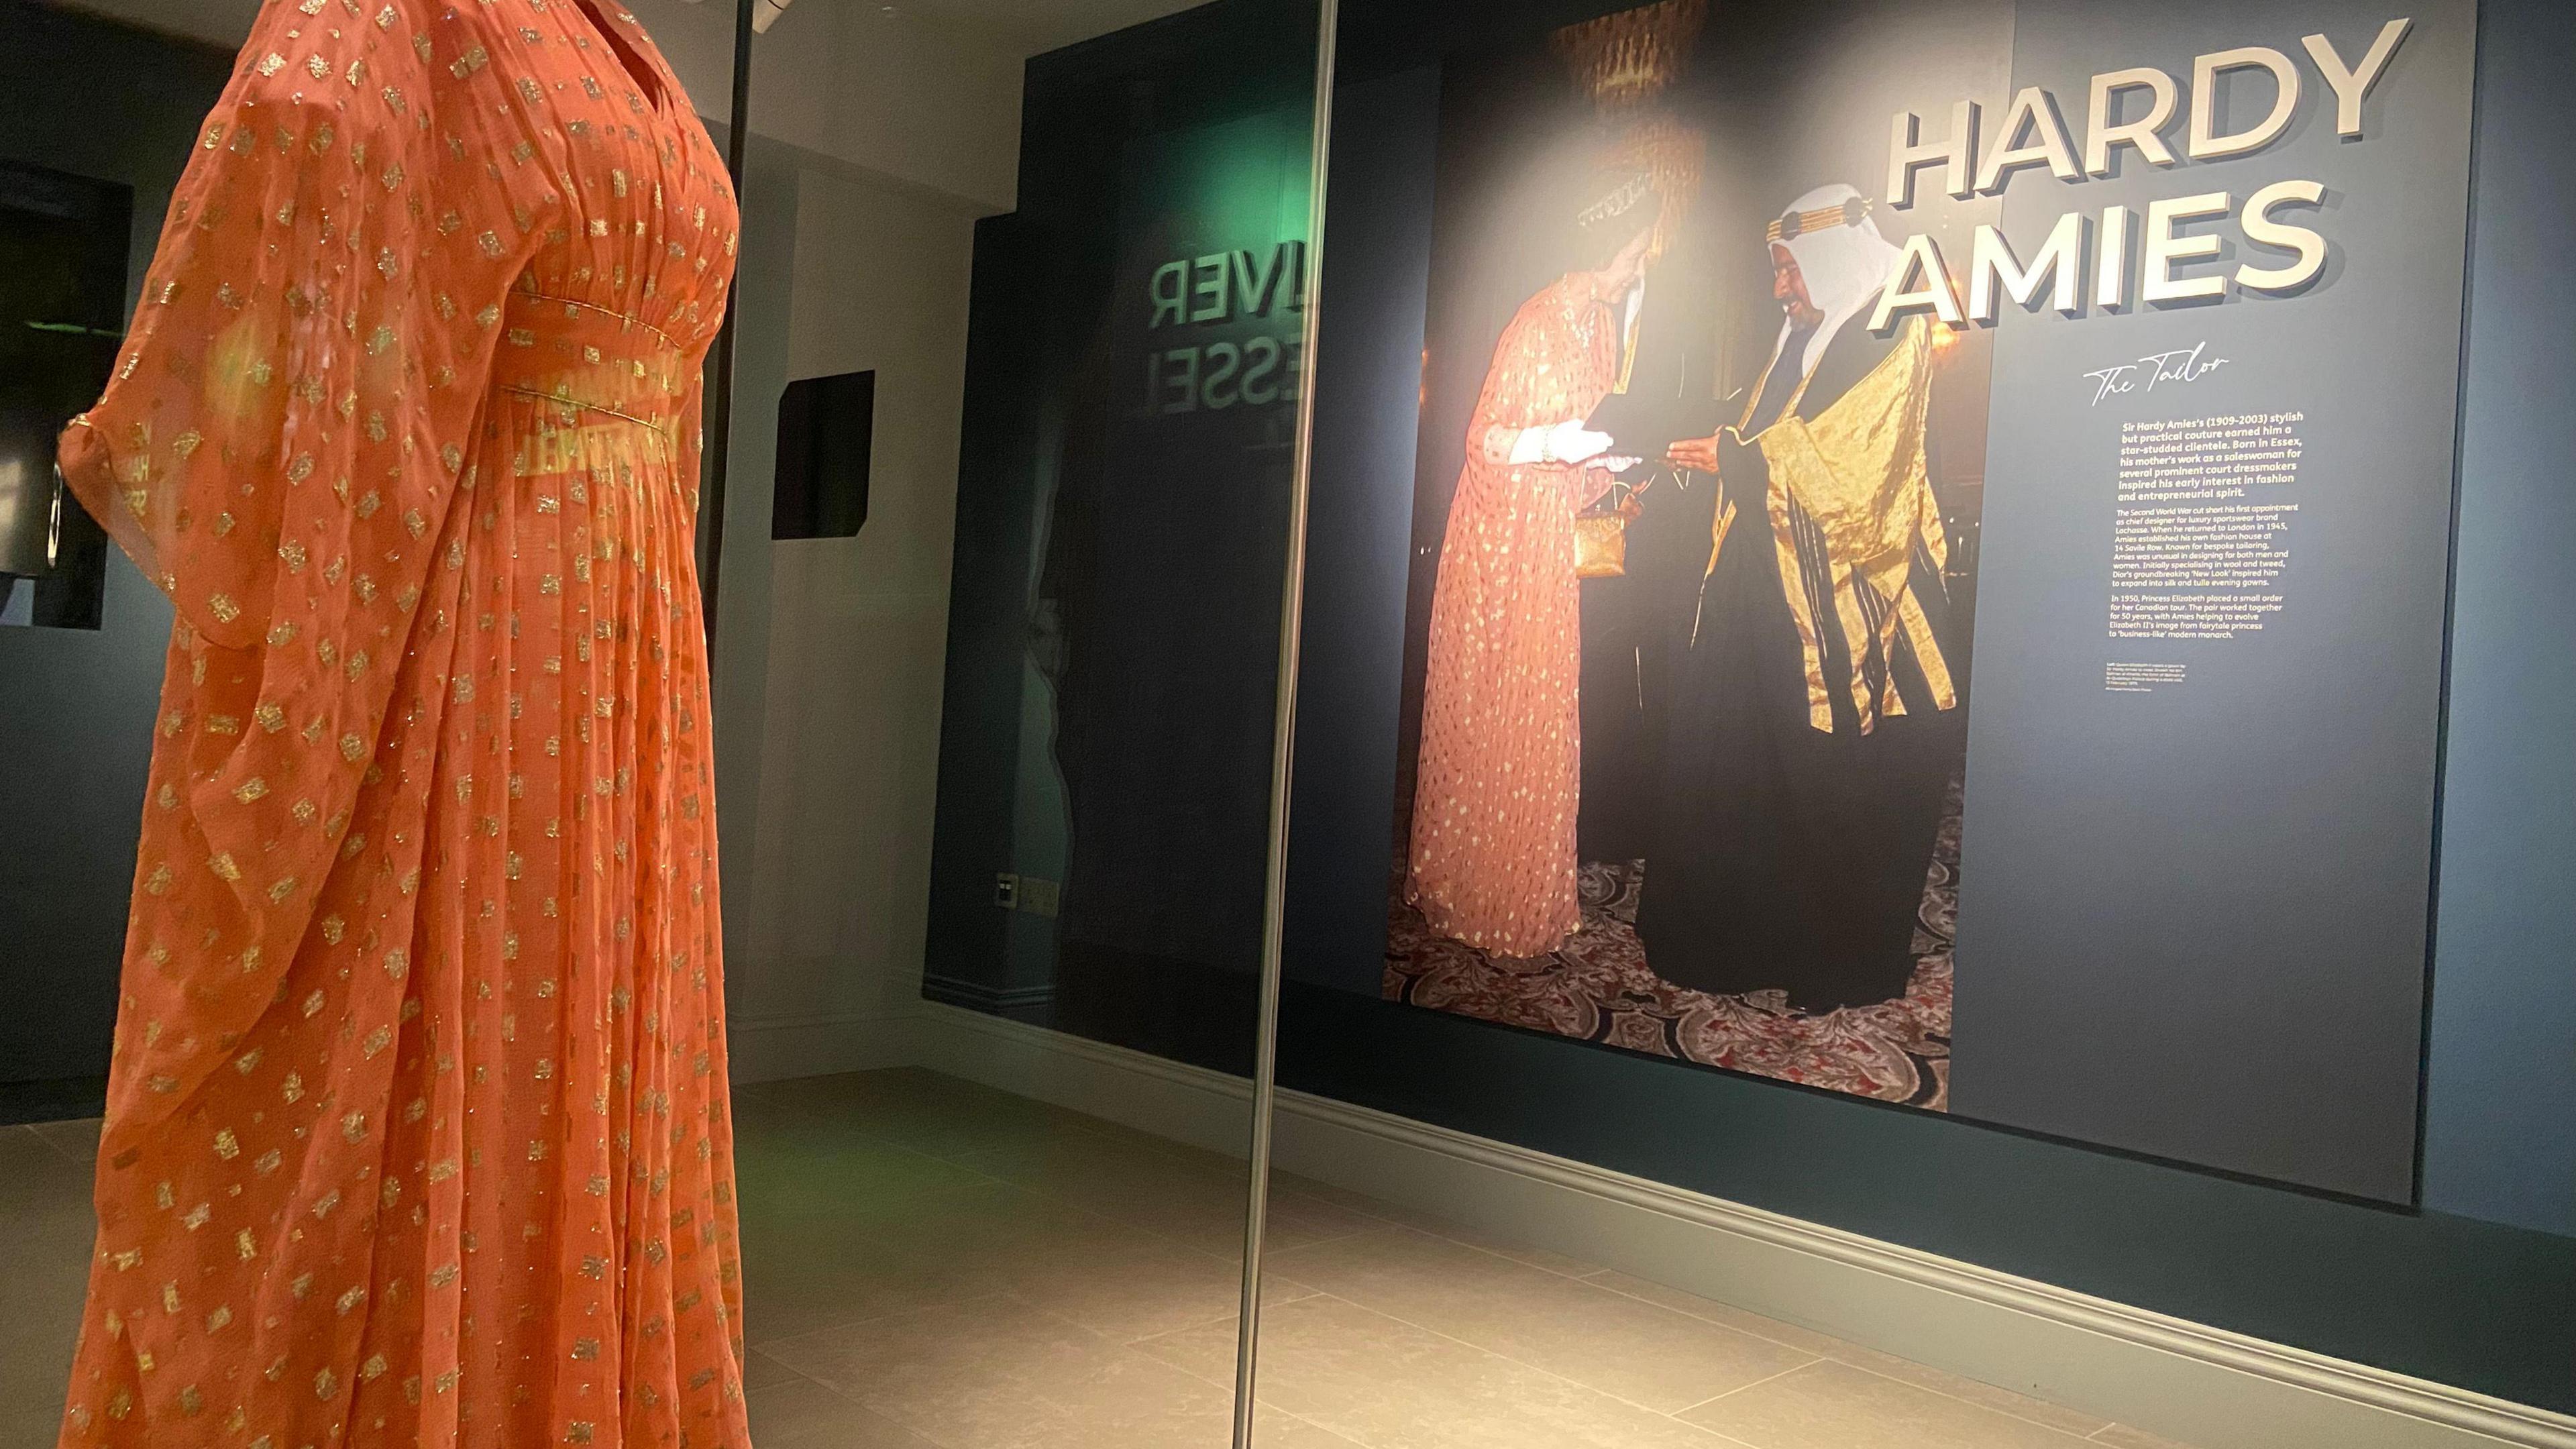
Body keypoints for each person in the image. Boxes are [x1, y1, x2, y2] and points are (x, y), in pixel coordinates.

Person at [47, 0, 751, 1443]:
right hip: (489, 648)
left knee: (588, 1093)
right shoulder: (391, 15)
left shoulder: (625, 38)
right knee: (446, 1103)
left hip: (622, 658)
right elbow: (298, 205)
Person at [1639, 182, 1964, 1011]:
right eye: (1779, 271)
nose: (1781, 288)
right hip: (1764, 581)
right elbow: (1756, 431)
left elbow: (1859, 472)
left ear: (1832, 257)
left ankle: (1824, 953)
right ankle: (1733, 938)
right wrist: (1705, 446)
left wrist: (1737, 460)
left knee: (1825, 771)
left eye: (1790, 269)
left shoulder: (1895, 330)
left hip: (1861, 600)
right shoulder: (1803, 341)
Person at [1406, 168, 1657, 957]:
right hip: (1495, 548)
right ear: (1607, 246)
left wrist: (1601, 467)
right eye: (1638, 253)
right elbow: (1482, 440)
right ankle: (1472, 886)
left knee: (1543, 714)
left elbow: (1576, 444)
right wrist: (1552, 444)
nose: (1642, 268)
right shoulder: (1536, 322)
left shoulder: (1602, 330)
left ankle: (1521, 890)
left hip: (1548, 543)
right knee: (1493, 713)